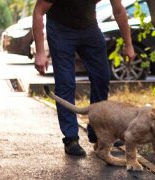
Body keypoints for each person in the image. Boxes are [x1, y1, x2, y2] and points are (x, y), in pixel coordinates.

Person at [32, 0, 135, 156]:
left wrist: (129, 44)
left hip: (89, 29)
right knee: (65, 82)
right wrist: (40, 52)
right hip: (60, 30)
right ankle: (71, 138)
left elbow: (119, 10)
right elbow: (38, 12)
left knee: (102, 77)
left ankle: (98, 131)